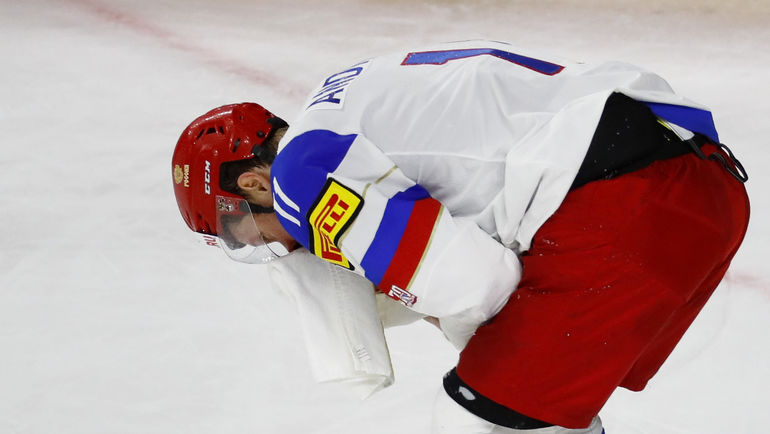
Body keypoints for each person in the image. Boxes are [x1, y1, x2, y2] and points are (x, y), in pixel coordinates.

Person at [171, 40, 749, 433]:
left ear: (250, 183)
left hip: (630, 199)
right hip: (693, 179)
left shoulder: (298, 181)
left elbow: (482, 287)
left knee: (483, 413)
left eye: (243, 232)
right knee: (524, 402)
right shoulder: (338, 100)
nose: (271, 244)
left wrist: (418, 292)